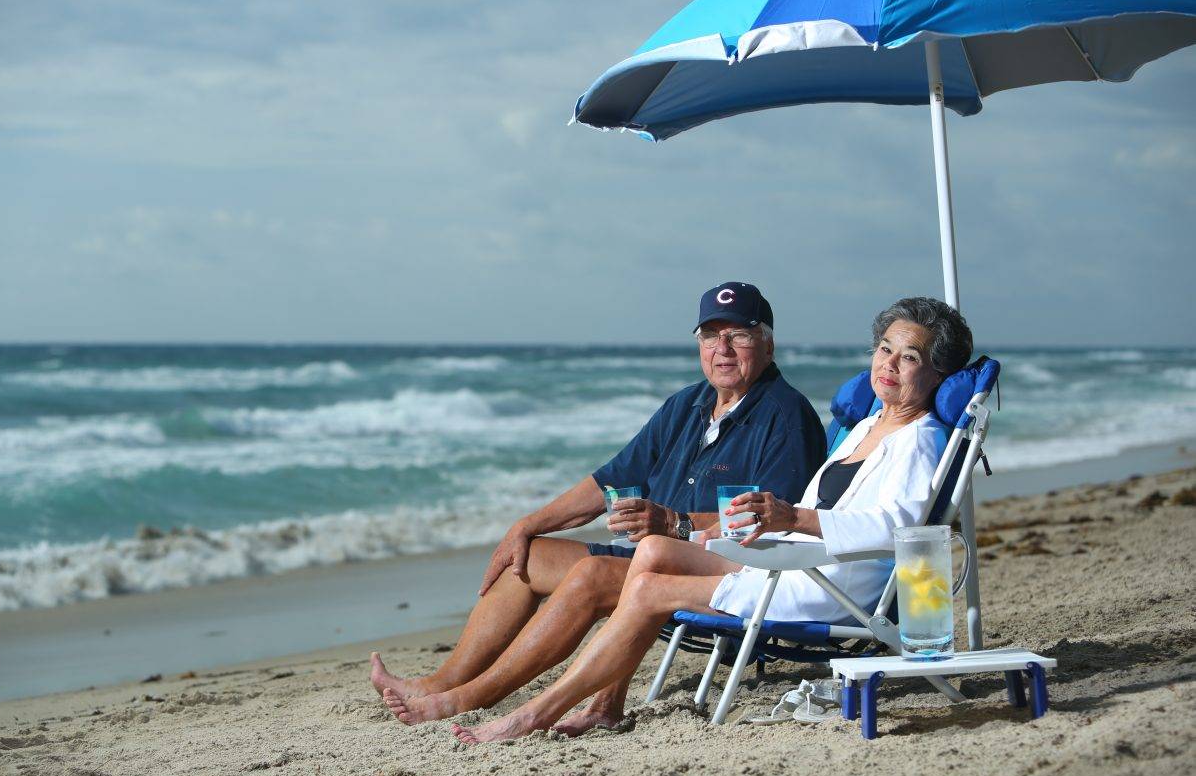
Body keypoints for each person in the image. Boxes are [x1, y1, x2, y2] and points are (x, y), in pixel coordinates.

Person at [450, 296, 973, 743]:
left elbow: (900, 529)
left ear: (937, 373)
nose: (890, 364)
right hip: (792, 561)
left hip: (826, 583)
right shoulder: (867, 428)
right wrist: (689, 530)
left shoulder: (919, 440)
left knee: (650, 588)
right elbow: (613, 479)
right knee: (651, 551)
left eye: (910, 358)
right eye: (885, 350)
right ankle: (605, 701)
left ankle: (537, 711)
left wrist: (792, 516)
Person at [373, 282, 826, 731]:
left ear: (767, 342)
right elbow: (606, 482)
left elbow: (769, 520)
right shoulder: (687, 405)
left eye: (739, 335)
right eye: (711, 335)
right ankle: (441, 682)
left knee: (591, 575)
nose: (722, 348)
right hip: (650, 557)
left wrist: (675, 523)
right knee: (528, 557)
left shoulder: (786, 416)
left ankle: (467, 700)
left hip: (723, 576)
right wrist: (524, 526)